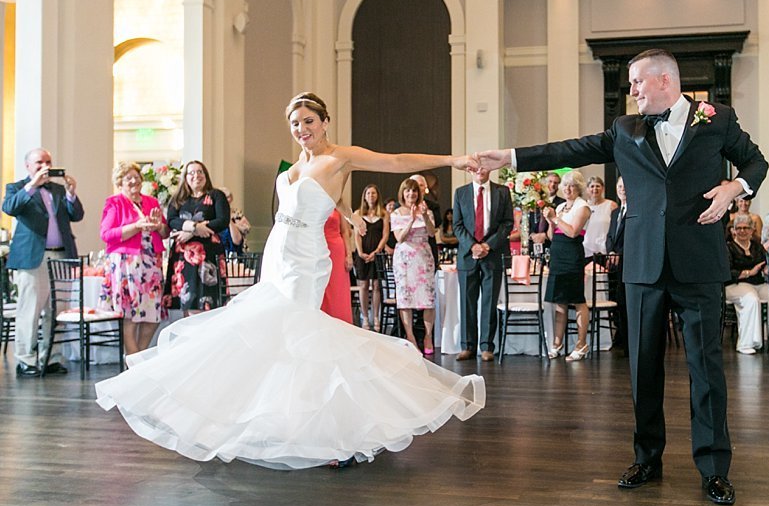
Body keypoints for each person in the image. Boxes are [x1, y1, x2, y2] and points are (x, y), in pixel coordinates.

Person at [95, 91, 484, 469]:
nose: (301, 129)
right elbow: (315, 200)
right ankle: (275, 421)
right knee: (272, 333)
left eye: (308, 121)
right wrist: (346, 211)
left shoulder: (339, 157)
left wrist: (454, 160)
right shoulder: (294, 166)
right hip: (278, 253)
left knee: (305, 335)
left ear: (325, 122)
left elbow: (396, 160)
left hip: (306, 258)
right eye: (295, 124)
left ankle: (339, 432)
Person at [478, 48, 768, 505]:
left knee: (707, 369)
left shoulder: (717, 119)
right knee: (643, 366)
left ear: (664, 81)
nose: (631, 91)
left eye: (637, 82)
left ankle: (714, 467)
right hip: (643, 264)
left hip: (698, 263)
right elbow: (569, 149)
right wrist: (509, 157)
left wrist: (735, 186)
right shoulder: (625, 129)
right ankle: (647, 457)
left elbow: (756, 163)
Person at [2, 148, 84, 377]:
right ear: (28, 166)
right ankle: (26, 360)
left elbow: (76, 215)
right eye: (39, 162)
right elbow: (9, 208)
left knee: (56, 311)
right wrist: (32, 186)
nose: (45, 166)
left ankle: (51, 358)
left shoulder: (58, 189)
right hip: (33, 258)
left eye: (48, 161)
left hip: (61, 256)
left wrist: (71, 193)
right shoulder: (17, 188)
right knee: (29, 310)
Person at [99, 162, 169, 356]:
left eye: (136, 176)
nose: (134, 180)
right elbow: (106, 234)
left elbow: (165, 232)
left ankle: (137, 356)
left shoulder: (151, 202)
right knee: (130, 315)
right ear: (120, 182)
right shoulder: (114, 202)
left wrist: (157, 227)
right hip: (126, 265)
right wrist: (136, 226)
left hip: (150, 264)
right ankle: (134, 364)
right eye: (128, 177)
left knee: (152, 316)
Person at [452, 167, 514, 362]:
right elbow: (457, 225)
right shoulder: (460, 192)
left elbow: (507, 223)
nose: (480, 170)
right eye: (476, 167)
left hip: (493, 254)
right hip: (467, 255)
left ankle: (487, 347)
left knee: (489, 302)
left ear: (490, 169)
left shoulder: (502, 191)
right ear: (470, 170)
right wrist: (473, 246)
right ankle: (467, 346)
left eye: (484, 166)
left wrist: (487, 245)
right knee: (467, 302)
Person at [162, 161, 229, 313]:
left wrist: (193, 231)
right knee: (188, 302)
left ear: (206, 175)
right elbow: (172, 220)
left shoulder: (216, 195)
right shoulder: (178, 199)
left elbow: (222, 220)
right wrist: (194, 227)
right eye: (191, 173)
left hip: (209, 254)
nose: (196, 176)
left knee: (207, 304)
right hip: (183, 257)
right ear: (185, 177)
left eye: (200, 172)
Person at [542, 171, 592, 361]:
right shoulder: (561, 206)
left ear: (578, 188)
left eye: (571, 186)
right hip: (557, 254)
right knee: (559, 301)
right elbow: (552, 235)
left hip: (572, 255)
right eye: (565, 185)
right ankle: (557, 343)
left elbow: (572, 232)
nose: (567, 189)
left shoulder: (583, 207)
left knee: (578, 300)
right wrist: (549, 221)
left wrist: (555, 219)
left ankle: (581, 344)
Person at [390, 177, 438, 355]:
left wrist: (424, 216)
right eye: (408, 191)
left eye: (414, 191)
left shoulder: (426, 210)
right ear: (403, 193)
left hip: (423, 256)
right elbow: (399, 238)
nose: (411, 193)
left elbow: (432, 233)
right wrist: (410, 220)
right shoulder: (396, 213)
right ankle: (410, 336)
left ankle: (427, 336)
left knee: (428, 299)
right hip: (404, 259)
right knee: (405, 299)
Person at [725, 213, 769, 355]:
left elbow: (766, 263)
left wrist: (768, 268)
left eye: (746, 228)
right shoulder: (729, 247)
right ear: (733, 230)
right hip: (735, 285)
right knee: (751, 299)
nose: (742, 231)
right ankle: (745, 344)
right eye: (739, 228)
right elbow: (728, 272)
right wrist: (749, 273)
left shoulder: (757, 246)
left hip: (758, 284)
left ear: (752, 230)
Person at [352, 184, 389, 331]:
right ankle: (365, 317)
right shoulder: (358, 213)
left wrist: (377, 251)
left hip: (378, 253)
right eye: (368, 193)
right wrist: (360, 252)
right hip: (363, 253)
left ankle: (376, 317)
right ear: (364, 196)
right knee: (363, 285)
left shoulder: (384, 214)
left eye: (373, 193)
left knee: (376, 286)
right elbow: (357, 235)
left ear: (377, 196)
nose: (371, 196)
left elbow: (385, 234)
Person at [605, 176, 629, 354]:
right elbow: (610, 236)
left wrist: (620, 253)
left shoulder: (636, 210)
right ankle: (619, 336)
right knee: (616, 301)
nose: (623, 189)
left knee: (625, 302)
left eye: (626, 186)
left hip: (627, 262)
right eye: (620, 186)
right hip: (614, 263)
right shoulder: (615, 212)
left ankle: (627, 339)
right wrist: (611, 251)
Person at [320, 208, 353, 323]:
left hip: (337, 250)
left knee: (337, 288)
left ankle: (341, 322)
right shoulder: (316, 202)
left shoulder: (338, 206)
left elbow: (345, 231)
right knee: (323, 287)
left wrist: (349, 255)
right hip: (319, 248)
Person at [582, 175, 618, 259]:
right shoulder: (582, 206)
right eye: (592, 186)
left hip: (604, 250)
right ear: (587, 189)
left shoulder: (611, 205)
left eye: (598, 186)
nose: (595, 189)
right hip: (585, 250)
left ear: (603, 188)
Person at [528, 172, 564, 253]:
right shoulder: (533, 200)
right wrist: (532, 235)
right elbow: (525, 221)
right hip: (532, 244)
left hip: (551, 246)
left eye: (555, 183)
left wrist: (546, 235)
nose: (552, 185)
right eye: (550, 181)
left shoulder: (562, 204)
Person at [217, 187, 251, 255]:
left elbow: (247, 228)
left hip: (237, 249)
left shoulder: (236, 213)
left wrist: (233, 225)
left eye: (228, 197)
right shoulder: (214, 214)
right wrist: (238, 225)